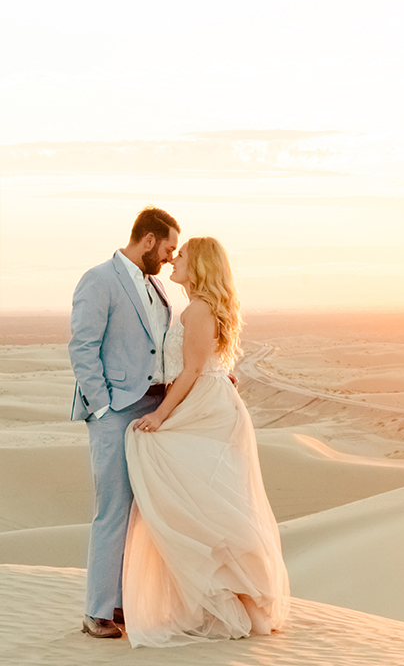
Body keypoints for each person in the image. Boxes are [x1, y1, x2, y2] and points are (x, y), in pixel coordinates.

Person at [122, 236, 290, 647]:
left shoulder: (197, 309)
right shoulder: (202, 307)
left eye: (181, 256)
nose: (173, 261)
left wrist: (160, 414)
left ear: (197, 266)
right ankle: (232, 602)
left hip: (206, 408)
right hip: (213, 402)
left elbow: (194, 368)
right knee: (214, 503)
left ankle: (237, 601)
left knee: (180, 480)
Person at [68, 207, 180, 639]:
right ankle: (97, 610)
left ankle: (122, 602)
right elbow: (83, 347)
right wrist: (102, 408)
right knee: (113, 509)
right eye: (168, 248)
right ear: (148, 240)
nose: (170, 258)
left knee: (141, 510)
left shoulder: (155, 287)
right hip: (115, 411)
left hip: (154, 410)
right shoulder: (99, 279)